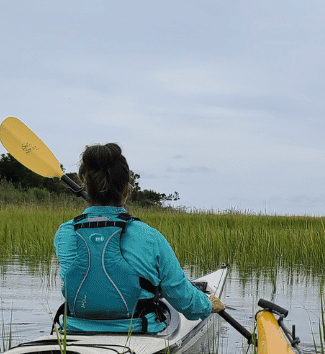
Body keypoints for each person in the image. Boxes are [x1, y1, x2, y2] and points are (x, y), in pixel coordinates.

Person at [53, 143, 225, 333]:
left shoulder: (66, 233)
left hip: (75, 328)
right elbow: (182, 298)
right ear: (126, 190)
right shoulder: (148, 236)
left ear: (85, 184)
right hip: (138, 330)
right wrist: (208, 305)